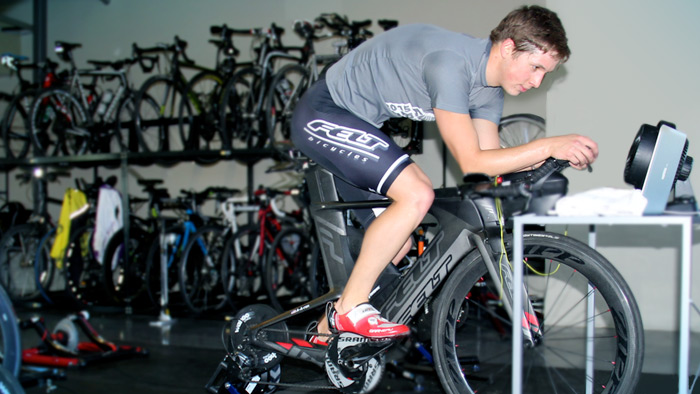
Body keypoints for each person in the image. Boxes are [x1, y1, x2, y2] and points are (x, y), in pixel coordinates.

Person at [290, 5, 598, 343]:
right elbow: (471, 161)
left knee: (398, 242)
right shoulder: (451, 65)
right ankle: (349, 309)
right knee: (417, 194)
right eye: (536, 67)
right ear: (509, 47)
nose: (538, 80)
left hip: (359, 125)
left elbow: (489, 163)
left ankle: (319, 336)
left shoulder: (489, 92)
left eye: (546, 73)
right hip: (324, 111)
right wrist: (547, 146)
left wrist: (545, 162)